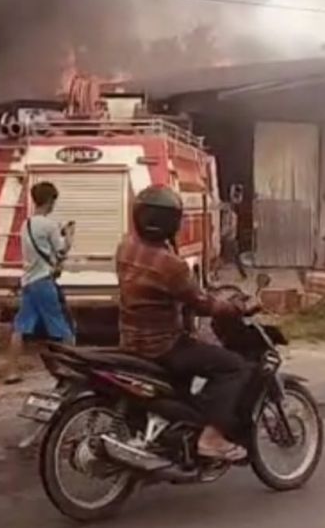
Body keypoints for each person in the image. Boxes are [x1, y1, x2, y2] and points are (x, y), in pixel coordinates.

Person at [116, 185, 250, 462]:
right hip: (163, 346)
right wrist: (237, 307)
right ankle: (211, 438)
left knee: (193, 361)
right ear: (169, 223)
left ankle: (178, 427)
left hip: (130, 341)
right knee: (234, 366)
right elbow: (202, 303)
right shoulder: (170, 266)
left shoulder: (125, 247)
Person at [4, 181, 75, 384]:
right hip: (44, 283)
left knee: (20, 327)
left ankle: (12, 371)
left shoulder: (25, 225)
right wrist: (69, 235)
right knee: (62, 328)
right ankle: (72, 370)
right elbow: (61, 250)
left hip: (28, 282)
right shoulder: (50, 225)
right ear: (50, 201)